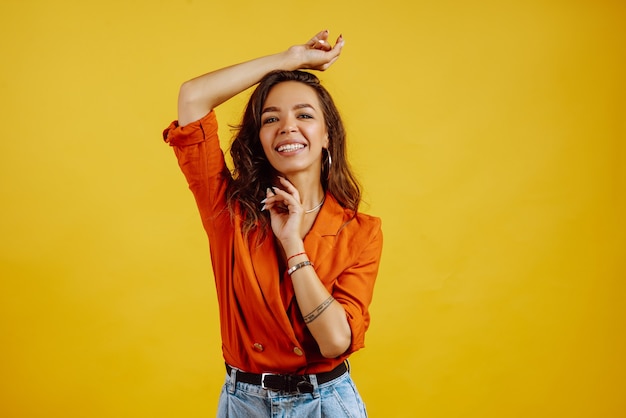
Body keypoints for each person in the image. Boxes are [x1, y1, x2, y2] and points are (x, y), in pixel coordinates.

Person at [163, 29, 383, 417]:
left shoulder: (359, 231)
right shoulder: (228, 212)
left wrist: (292, 243)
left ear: (327, 135)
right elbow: (193, 97)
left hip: (324, 404)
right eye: (270, 118)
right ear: (260, 139)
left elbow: (334, 342)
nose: (287, 126)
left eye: (304, 115)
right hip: (243, 403)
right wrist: (288, 60)